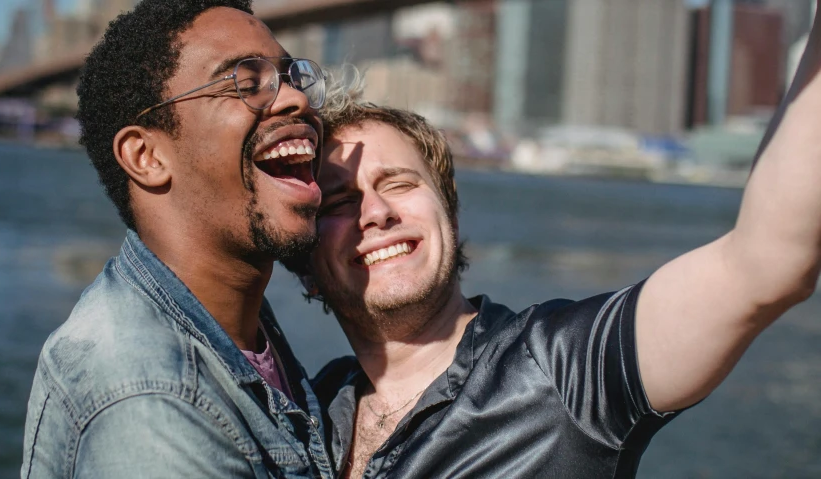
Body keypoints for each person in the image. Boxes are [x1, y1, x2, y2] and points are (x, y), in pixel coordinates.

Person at [286, 7, 821, 477]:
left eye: (399, 184)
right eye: (338, 204)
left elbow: (768, 262)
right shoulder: (304, 410)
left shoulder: (562, 367)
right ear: (305, 262)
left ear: (447, 209)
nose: (376, 214)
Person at [20, 1, 334, 477]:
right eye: (246, 83)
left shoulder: (239, 329)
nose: (295, 99)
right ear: (145, 156)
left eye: (292, 76)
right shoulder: (148, 403)